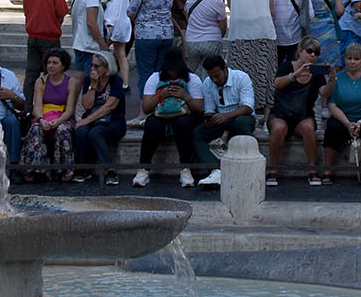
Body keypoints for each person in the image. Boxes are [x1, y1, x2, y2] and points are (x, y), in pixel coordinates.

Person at [131, 48, 204, 190]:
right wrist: (160, 96)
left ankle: (186, 168)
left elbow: (198, 109)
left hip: (184, 115)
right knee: (152, 123)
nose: (172, 72)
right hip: (161, 115)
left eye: (175, 69)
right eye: (170, 69)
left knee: (183, 124)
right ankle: (143, 169)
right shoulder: (155, 78)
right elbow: (146, 108)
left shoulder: (193, 79)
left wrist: (185, 96)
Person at [225, 0, 278, 127]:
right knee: (264, 73)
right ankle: (264, 110)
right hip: (263, 31)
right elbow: (271, 9)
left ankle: (243, 107)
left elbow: (231, 5)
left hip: (240, 32)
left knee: (241, 73)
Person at [320, 42, 361, 183]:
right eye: (349, 58)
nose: (353, 62)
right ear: (345, 59)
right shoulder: (337, 78)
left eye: (356, 59)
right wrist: (348, 123)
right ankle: (327, 169)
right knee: (332, 129)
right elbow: (332, 104)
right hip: (343, 117)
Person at [267, 37, 327, 185]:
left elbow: (325, 93)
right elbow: (277, 84)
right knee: (279, 127)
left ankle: (312, 169)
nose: (313, 55)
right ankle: (273, 168)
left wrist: (331, 79)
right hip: (281, 113)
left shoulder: (317, 73)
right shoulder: (287, 66)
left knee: (308, 127)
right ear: (300, 51)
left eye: (316, 53)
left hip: (303, 115)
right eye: (309, 51)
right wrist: (295, 75)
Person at [192, 56, 257, 187]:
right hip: (221, 120)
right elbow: (209, 110)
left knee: (241, 122)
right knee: (198, 133)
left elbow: (248, 107)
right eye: (211, 77)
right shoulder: (207, 83)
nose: (215, 80)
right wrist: (209, 120)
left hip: (242, 117)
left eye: (217, 75)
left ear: (225, 69)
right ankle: (215, 170)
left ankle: (245, 167)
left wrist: (226, 116)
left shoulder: (241, 77)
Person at [20, 48, 80, 181]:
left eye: (55, 63)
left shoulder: (71, 82)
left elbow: (70, 110)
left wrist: (57, 121)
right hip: (44, 116)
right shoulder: (40, 81)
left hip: (62, 117)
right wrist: (41, 120)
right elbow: (37, 106)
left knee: (63, 130)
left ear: (63, 65)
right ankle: (33, 169)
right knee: (35, 129)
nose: (51, 66)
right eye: (49, 63)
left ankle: (65, 169)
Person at [72, 52, 126, 185]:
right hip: (93, 118)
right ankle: (84, 168)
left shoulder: (116, 80)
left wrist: (86, 120)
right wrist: (93, 86)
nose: (92, 69)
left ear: (107, 67)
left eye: (97, 66)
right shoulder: (88, 80)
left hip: (114, 119)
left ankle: (110, 170)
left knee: (96, 132)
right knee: (81, 132)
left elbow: (110, 106)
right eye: (92, 65)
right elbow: (87, 105)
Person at [22, 0, 69, 106]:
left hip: (33, 36)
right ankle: (50, 104)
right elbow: (61, 14)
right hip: (50, 37)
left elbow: (26, 11)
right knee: (53, 74)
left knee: (31, 74)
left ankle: (28, 106)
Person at [128, 0, 175, 88]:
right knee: (161, 73)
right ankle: (160, 104)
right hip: (166, 32)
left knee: (145, 74)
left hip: (146, 34)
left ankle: (145, 106)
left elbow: (132, 11)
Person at [101, 0, 133, 87]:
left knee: (104, 50)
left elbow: (115, 6)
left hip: (114, 22)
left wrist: (110, 23)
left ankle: (105, 80)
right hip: (123, 22)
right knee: (121, 54)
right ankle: (125, 83)